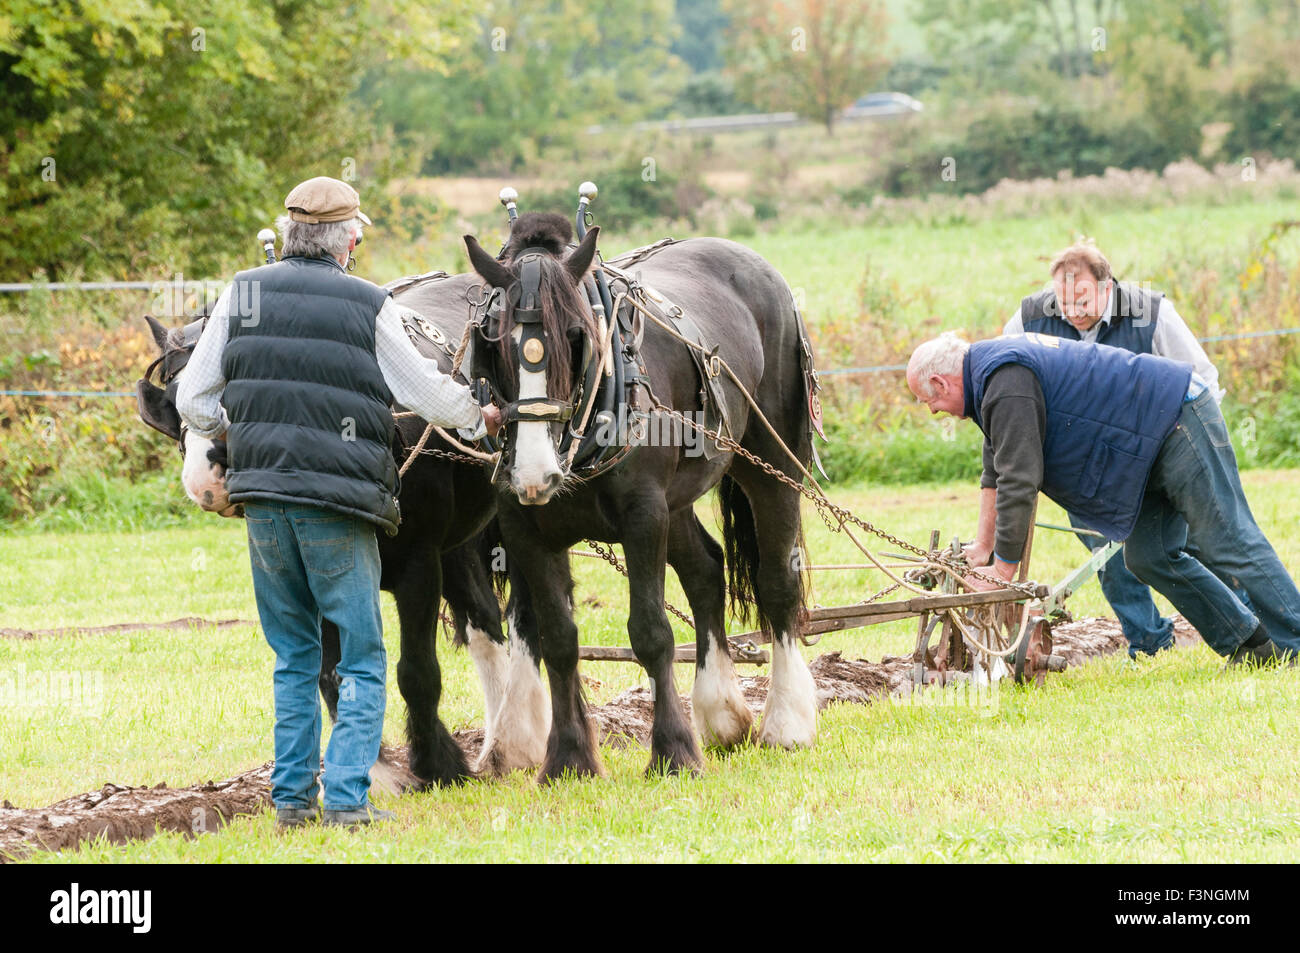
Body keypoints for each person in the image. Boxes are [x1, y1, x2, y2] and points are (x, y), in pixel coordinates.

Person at [176, 176, 501, 828]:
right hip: (339, 504)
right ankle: (348, 799)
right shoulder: (367, 303)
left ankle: (292, 802)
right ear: (346, 239)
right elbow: (429, 397)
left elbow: (192, 401)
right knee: (361, 655)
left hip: (263, 503)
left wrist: (247, 430)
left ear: (291, 231)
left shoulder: (240, 293)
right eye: (357, 233)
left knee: (295, 656)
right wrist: (481, 415)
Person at [905, 330, 1300, 666]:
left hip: (1177, 418)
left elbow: (1019, 478)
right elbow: (996, 471)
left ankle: (1295, 642)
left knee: (1227, 539)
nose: (935, 411)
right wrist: (983, 547)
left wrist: (1001, 573)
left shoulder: (1004, 378)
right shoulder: (991, 379)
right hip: (1144, 446)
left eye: (930, 403)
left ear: (941, 383)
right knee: (1150, 556)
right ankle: (1251, 646)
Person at [1000, 241, 1226, 658]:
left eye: (1081, 299)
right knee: (1109, 555)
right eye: (1062, 301)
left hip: (1157, 455)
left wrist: (1203, 446)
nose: (1070, 310)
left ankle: (1249, 619)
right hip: (1083, 465)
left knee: (1192, 545)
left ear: (1107, 286)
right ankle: (1149, 643)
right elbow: (1001, 372)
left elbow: (1202, 380)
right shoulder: (1031, 316)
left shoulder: (1150, 312)